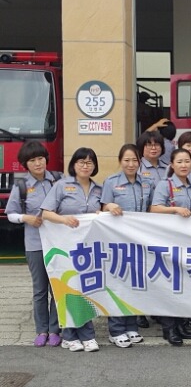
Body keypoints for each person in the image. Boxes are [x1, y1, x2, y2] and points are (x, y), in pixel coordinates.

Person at [41, 147, 103, 352]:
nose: (85, 166)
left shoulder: (98, 189)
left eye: (89, 162)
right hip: (64, 247)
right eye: (81, 162)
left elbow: (104, 213)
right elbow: (45, 213)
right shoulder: (61, 185)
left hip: (88, 248)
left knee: (85, 288)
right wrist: (64, 219)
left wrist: (103, 212)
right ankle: (74, 335)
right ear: (74, 165)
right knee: (68, 288)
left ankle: (81, 335)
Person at [6, 141, 63, 348]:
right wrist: (26, 218)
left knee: (57, 288)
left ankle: (55, 330)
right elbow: (10, 213)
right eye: (32, 160)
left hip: (59, 243)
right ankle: (42, 330)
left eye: (40, 158)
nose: (38, 163)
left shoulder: (58, 180)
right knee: (40, 290)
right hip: (35, 244)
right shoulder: (21, 186)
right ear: (25, 164)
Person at [100, 144, 153, 348]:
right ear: (120, 161)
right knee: (117, 284)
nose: (131, 164)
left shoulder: (147, 183)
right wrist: (109, 206)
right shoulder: (111, 182)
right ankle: (116, 330)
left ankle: (131, 326)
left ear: (140, 162)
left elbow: (151, 210)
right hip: (117, 242)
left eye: (134, 160)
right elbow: (102, 208)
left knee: (134, 285)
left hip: (139, 242)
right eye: (126, 160)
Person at [149, 148, 191, 346]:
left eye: (187, 161)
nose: (184, 165)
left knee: (182, 285)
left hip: (187, 242)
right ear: (171, 165)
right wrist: (176, 209)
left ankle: (180, 325)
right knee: (169, 284)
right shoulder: (165, 184)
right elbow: (154, 208)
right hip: (168, 241)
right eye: (179, 162)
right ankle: (168, 328)